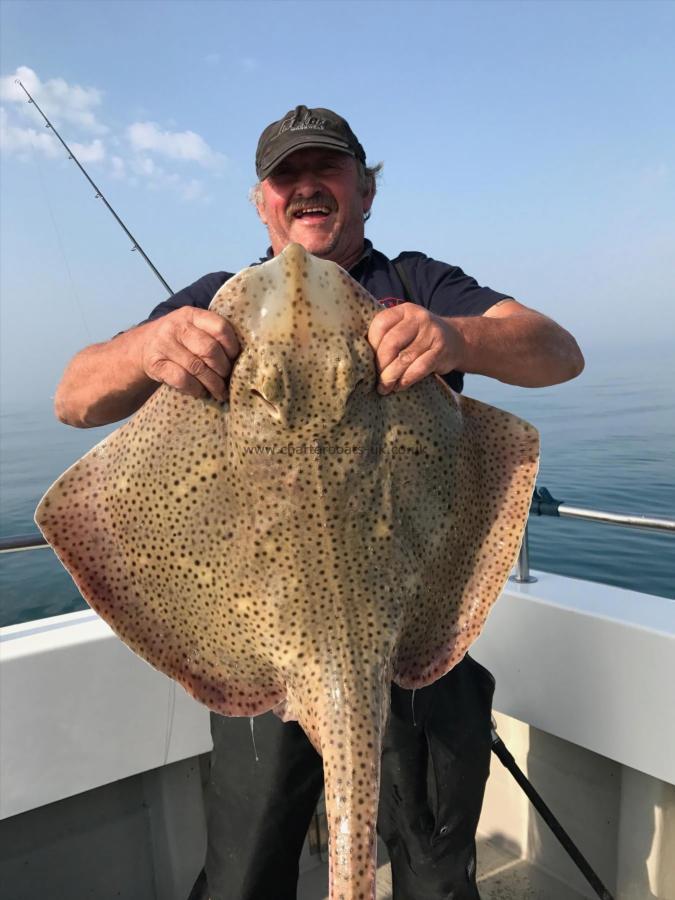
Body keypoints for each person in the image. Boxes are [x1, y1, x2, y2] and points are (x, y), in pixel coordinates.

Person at [55, 106, 584, 900]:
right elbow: (75, 400)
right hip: (260, 641)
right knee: (246, 874)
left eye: (326, 170)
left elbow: (557, 352)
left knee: (437, 876)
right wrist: (143, 348)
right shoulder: (212, 301)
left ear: (364, 190)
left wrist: (459, 337)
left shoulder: (415, 283)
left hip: (410, 630)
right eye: (284, 177)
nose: (305, 187)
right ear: (261, 202)